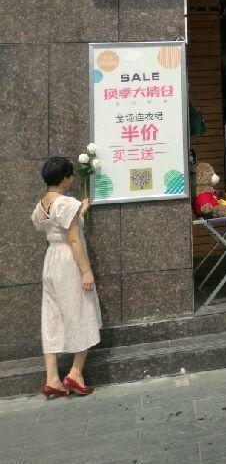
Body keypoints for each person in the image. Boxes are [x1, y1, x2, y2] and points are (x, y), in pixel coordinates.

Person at [31, 157, 102, 398]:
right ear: (65, 178)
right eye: (70, 176)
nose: (71, 179)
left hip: (51, 260)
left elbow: (56, 226)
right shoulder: (67, 203)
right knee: (81, 313)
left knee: (51, 318)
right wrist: (86, 271)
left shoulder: (42, 205)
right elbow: (73, 239)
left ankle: (52, 378)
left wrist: (79, 212)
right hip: (69, 262)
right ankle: (75, 373)